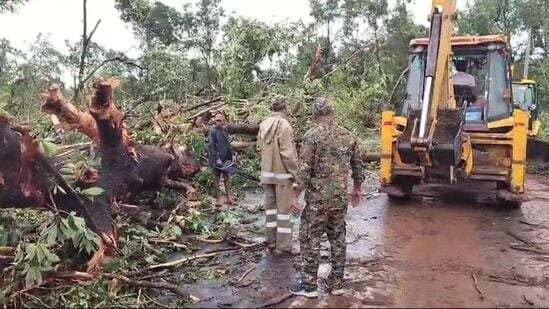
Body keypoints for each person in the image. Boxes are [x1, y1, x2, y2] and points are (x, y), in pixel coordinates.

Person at [289, 97, 364, 298]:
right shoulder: (348, 136)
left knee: (310, 238)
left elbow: (304, 169)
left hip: (317, 200)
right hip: (339, 199)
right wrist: (357, 189)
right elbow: (358, 165)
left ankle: (309, 286)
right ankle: (337, 283)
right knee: (338, 238)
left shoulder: (312, 136)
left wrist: (295, 195)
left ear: (314, 115)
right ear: (333, 113)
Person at [257, 96, 299, 254]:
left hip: (267, 175)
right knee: (285, 213)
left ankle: (271, 241)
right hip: (283, 176)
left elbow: (259, 147)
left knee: (271, 211)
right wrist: (296, 173)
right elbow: (287, 153)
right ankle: (284, 246)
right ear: (284, 108)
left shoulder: (263, 123)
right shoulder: (284, 125)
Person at [208, 113, 235, 206]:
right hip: (216, 159)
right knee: (217, 178)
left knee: (227, 177)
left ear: (224, 121)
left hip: (226, 158)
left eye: (220, 120)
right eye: (217, 120)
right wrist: (217, 158)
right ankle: (218, 199)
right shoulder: (212, 131)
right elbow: (211, 145)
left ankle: (229, 198)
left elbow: (228, 144)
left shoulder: (225, 130)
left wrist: (232, 155)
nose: (218, 122)